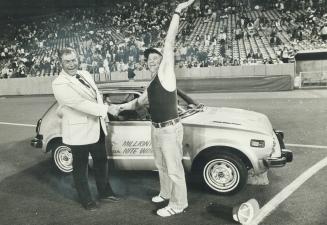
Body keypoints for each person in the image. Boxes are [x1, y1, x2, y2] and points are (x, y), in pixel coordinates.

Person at [117, 0, 195, 217]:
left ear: (163, 61)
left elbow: (169, 43)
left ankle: (179, 204)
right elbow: (139, 102)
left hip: (169, 129)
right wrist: (117, 108)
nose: (151, 60)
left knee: (174, 169)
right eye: (149, 59)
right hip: (156, 128)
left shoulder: (166, 74)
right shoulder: (151, 84)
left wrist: (177, 12)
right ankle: (165, 193)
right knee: (161, 165)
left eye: (155, 57)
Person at [52, 48, 120, 211]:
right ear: (61, 63)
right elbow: (79, 104)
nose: (72, 64)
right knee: (80, 167)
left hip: (97, 128)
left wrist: (103, 113)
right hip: (78, 133)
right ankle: (86, 199)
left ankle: (104, 192)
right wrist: (106, 109)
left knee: (101, 161)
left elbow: (96, 96)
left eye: (74, 60)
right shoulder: (59, 83)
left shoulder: (85, 74)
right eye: (67, 61)